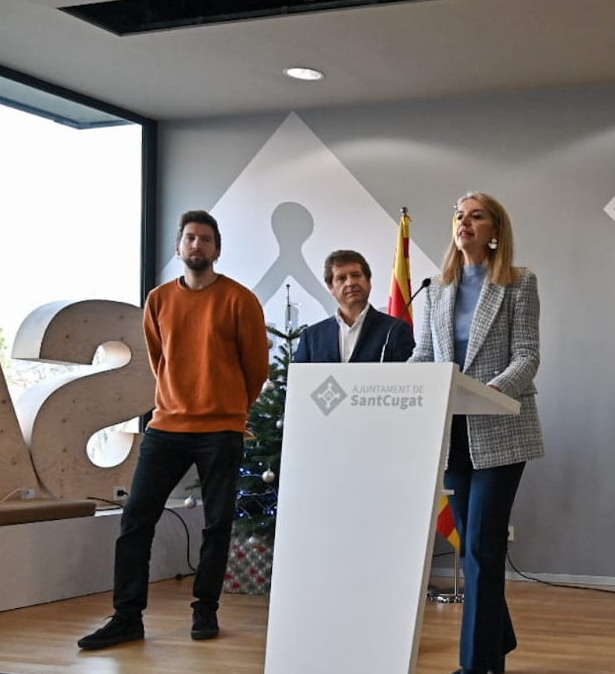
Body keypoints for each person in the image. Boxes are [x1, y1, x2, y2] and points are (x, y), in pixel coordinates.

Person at [78, 210, 270, 649]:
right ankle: (127, 617)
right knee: (135, 519)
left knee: (217, 523)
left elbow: (255, 368)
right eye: (190, 239)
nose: (197, 245)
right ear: (178, 248)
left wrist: (231, 409)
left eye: (205, 239)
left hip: (221, 428)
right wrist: (177, 401)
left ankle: (205, 610)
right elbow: (158, 360)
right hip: (167, 425)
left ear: (217, 249)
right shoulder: (159, 300)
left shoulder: (240, 300)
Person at [410, 191, 543, 674]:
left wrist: (487, 395)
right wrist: (398, 387)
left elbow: (527, 357)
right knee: (473, 546)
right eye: (459, 217)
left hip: (502, 431)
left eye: (476, 216)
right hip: (454, 435)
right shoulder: (438, 288)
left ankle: (473, 666)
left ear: (495, 230)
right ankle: (497, 641)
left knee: (483, 548)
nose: (464, 223)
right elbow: (425, 356)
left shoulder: (518, 283)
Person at [291, 249, 413, 363]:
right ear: (331, 288)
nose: (350, 283)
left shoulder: (396, 329)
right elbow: (300, 383)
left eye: (356, 275)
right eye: (341, 278)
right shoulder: (311, 337)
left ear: (369, 282)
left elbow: (407, 380)